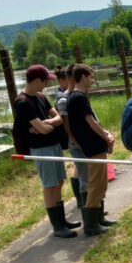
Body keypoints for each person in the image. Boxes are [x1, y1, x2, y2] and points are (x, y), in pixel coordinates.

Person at [14, 65, 76, 238]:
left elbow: (57, 117)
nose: (46, 85)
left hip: (54, 144)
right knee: (49, 185)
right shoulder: (22, 102)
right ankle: (57, 226)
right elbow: (43, 129)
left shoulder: (41, 96)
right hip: (41, 148)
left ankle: (62, 220)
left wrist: (48, 123)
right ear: (36, 80)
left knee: (59, 181)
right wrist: (49, 124)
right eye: (45, 81)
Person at [67, 64, 115, 236]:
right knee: (95, 184)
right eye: (91, 77)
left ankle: (99, 218)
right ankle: (91, 225)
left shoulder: (76, 97)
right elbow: (92, 122)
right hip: (93, 147)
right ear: (82, 77)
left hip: (93, 146)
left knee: (101, 183)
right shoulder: (78, 97)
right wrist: (106, 136)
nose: (93, 81)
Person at [56, 63, 88, 210]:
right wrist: (79, 143)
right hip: (77, 145)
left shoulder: (79, 95)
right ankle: (86, 207)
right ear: (72, 79)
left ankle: (93, 208)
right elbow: (68, 128)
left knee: (88, 175)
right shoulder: (63, 100)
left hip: (86, 142)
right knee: (84, 177)